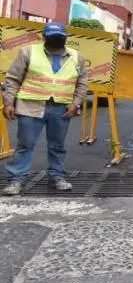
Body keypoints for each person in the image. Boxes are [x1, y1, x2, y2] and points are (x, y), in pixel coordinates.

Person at [2, 21, 88, 195]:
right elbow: (12, 79)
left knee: (57, 145)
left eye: (59, 37)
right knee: (25, 144)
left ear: (65, 38)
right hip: (30, 106)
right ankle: (16, 180)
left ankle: (57, 176)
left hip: (61, 108)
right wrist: (9, 102)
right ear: (44, 37)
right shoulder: (28, 52)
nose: (56, 40)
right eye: (52, 37)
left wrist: (76, 103)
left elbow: (82, 84)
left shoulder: (76, 57)